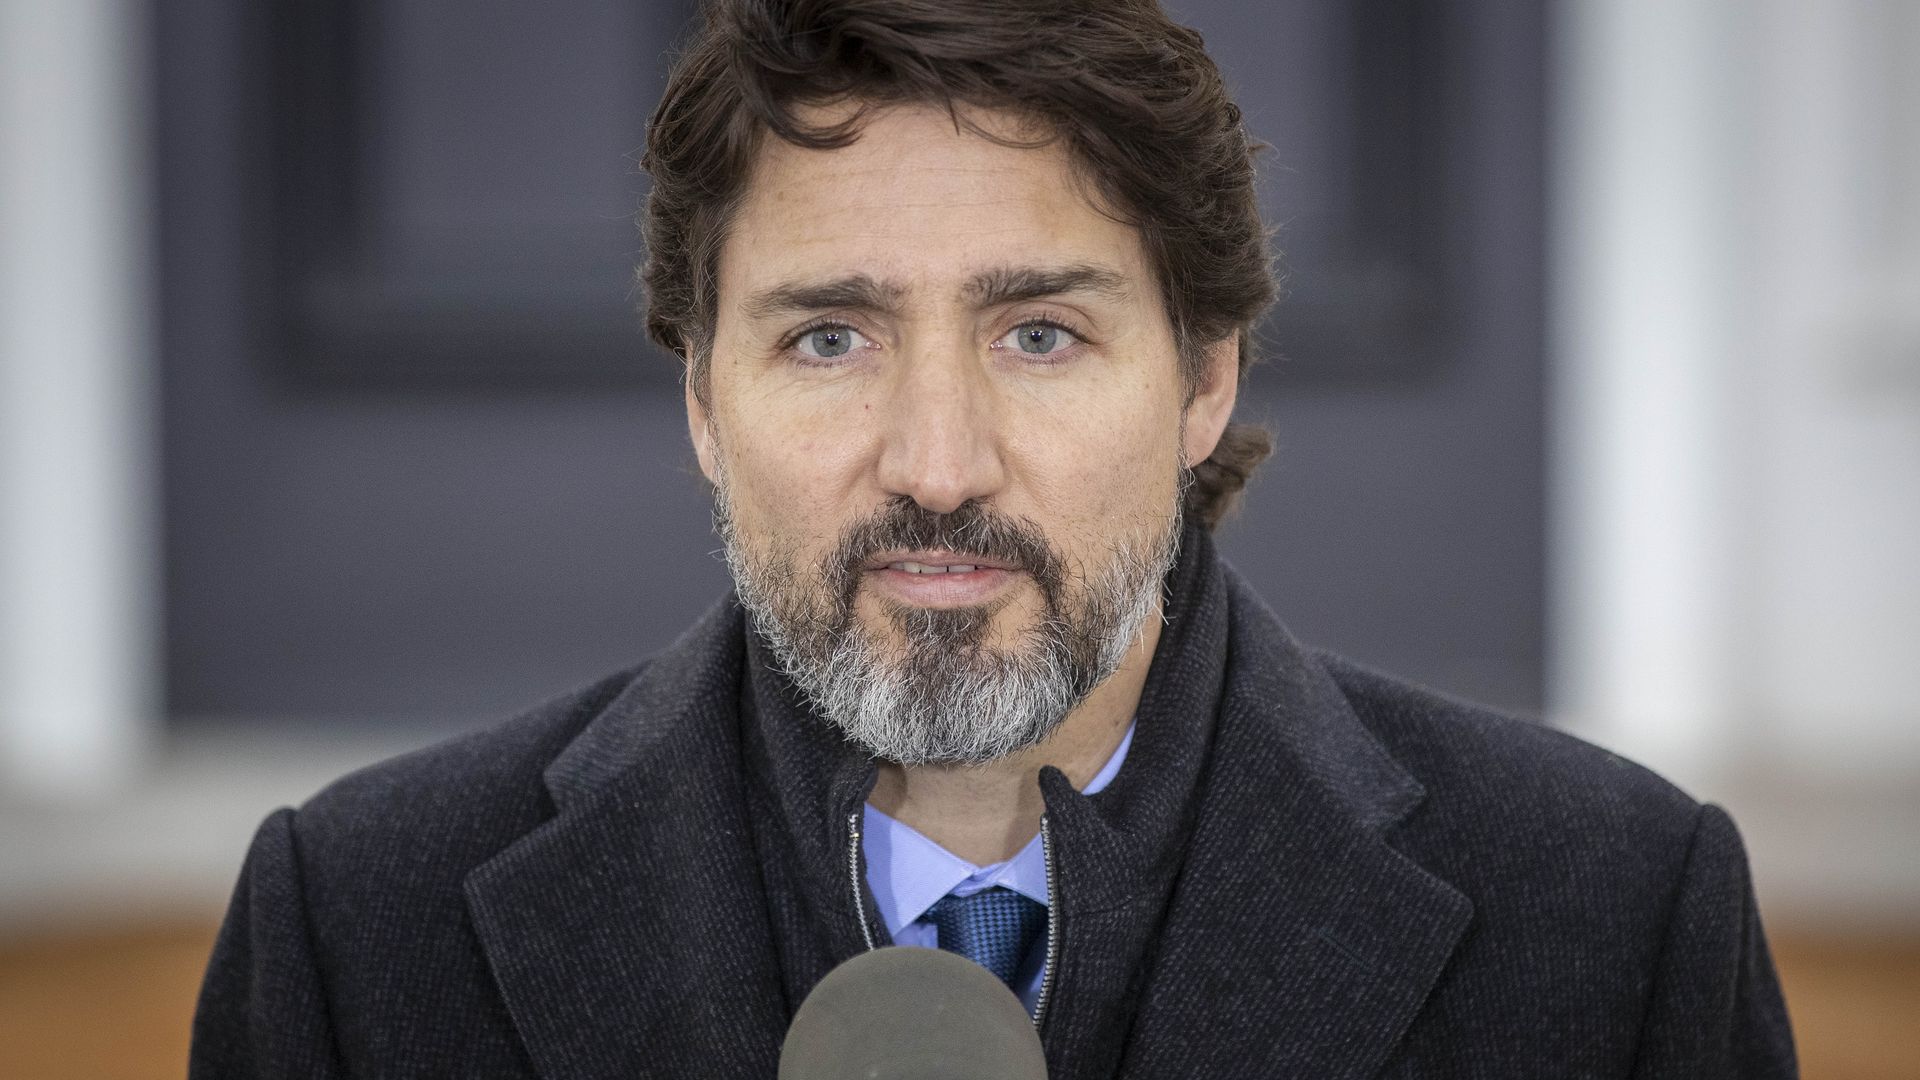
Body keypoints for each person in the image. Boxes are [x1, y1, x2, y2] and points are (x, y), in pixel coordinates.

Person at [189, 1, 1797, 1076]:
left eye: (1038, 333)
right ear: (700, 396)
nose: (939, 465)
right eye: (830, 338)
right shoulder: (358, 930)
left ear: (1203, 375)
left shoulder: (1615, 921)